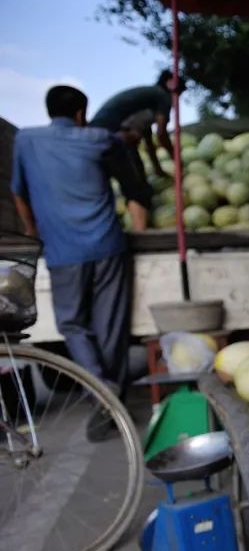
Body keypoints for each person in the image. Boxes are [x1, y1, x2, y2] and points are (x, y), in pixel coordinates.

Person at [10, 85, 146, 439]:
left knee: (72, 324)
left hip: (62, 250)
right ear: (81, 114)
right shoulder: (99, 139)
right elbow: (128, 160)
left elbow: (19, 192)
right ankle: (108, 393)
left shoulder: (26, 140)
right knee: (110, 325)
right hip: (107, 245)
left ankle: (101, 392)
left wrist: (32, 230)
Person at [90, 70, 182, 208]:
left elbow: (149, 143)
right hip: (113, 132)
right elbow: (162, 134)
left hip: (99, 131)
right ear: (171, 85)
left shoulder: (146, 102)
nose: (176, 100)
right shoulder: (162, 96)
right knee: (137, 186)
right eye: (178, 94)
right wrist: (178, 160)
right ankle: (141, 219)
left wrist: (158, 169)